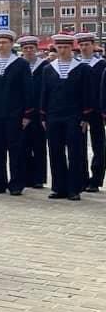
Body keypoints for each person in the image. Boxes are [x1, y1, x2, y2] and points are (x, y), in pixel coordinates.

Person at [39, 33, 93, 202]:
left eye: (65, 47)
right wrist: (43, 115)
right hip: (54, 116)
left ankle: (74, 189)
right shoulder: (48, 68)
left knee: (75, 153)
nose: (62, 51)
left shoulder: (82, 68)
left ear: (71, 48)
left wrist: (86, 116)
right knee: (55, 152)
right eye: (59, 47)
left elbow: (87, 93)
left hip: (74, 116)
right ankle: (58, 187)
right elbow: (44, 93)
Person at [0, 30, 31, 196]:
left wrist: (27, 114)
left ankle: (16, 183)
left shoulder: (21, 64)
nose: (1, 45)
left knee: (16, 150)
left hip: (14, 114)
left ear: (11, 44)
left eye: (5, 42)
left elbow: (27, 90)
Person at [77, 33, 106, 192]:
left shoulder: (101, 64)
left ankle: (95, 180)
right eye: (81, 45)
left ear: (93, 45)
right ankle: (82, 178)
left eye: (87, 44)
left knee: (98, 146)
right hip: (78, 112)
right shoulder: (76, 64)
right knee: (78, 146)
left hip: (97, 111)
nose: (83, 47)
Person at [18, 36, 48, 189]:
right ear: (21, 50)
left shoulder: (45, 66)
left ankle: (38, 178)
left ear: (36, 49)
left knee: (39, 146)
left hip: (38, 112)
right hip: (21, 113)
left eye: (31, 48)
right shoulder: (18, 65)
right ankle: (25, 177)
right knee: (23, 146)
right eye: (25, 48)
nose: (29, 51)